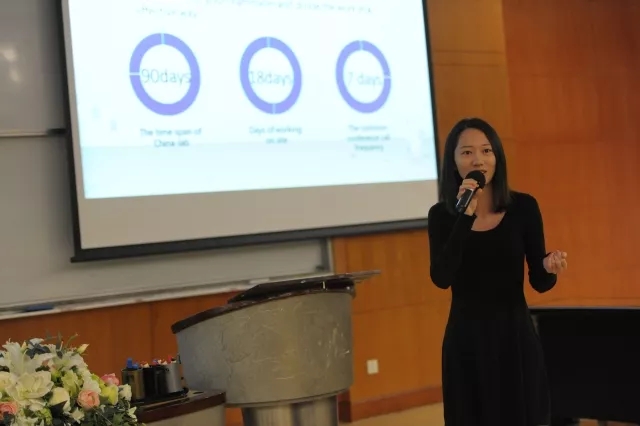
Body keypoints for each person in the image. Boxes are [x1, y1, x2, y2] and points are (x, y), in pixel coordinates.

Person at [427, 117, 568, 426]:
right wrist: (465, 217)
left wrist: (548, 267)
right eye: (467, 152)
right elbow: (441, 277)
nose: (478, 159)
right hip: (466, 342)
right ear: (453, 162)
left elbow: (540, 281)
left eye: (486, 150)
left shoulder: (524, 208)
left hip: (514, 338)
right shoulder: (441, 216)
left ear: (497, 157)